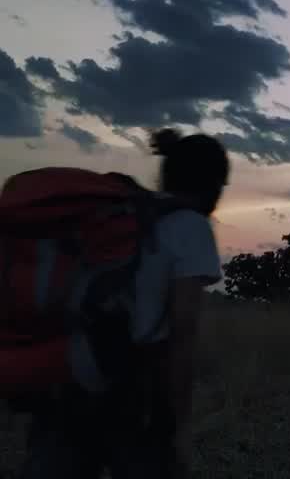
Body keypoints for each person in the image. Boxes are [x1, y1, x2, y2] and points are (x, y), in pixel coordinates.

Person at [21, 129, 228, 478]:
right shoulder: (191, 227)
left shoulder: (122, 216)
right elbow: (182, 339)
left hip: (63, 382)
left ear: (167, 173)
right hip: (132, 396)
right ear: (215, 185)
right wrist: (178, 427)